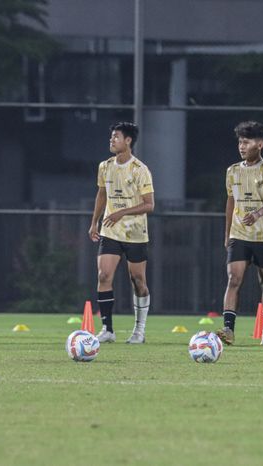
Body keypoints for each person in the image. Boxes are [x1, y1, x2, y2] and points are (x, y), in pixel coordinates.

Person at [216, 122, 263, 346]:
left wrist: (258, 213)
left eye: (246, 142)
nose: (241, 146)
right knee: (234, 279)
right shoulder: (233, 171)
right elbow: (231, 202)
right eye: (240, 142)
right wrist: (227, 233)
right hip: (239, 233)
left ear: (260, 144)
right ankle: (228, 330)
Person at [89, 122, 155, 344]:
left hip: (135, 234)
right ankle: (107, 329)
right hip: (110, 232)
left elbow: (149, 205)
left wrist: (122, 213)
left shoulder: (140, 170)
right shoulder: (105, 166)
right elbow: (101, 195)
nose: (112, 140)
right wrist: (94, 223)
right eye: (111, 137)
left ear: (128, 141)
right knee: (103, 275)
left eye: (116, 137)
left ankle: (139, 330)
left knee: (138, 281)